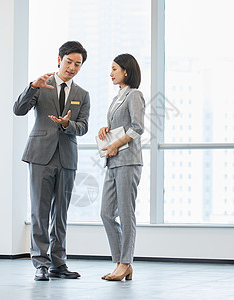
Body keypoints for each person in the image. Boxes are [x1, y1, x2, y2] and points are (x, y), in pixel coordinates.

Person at [13, 41, 90, 281]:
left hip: (67, 158)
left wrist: (67, 124)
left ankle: (59, 263)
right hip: (40, 156)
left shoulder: (82, 95)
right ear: (59, 60)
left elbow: (84, 127)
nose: (72, 67)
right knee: (40, 211)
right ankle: (40, 264)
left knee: (61, 213)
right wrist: (31, 88)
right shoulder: (42, 86)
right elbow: (18, 110)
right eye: (69, 62)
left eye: (78, 64)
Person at [98, 53, 145, 281]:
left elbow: (137, 128)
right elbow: (119, 125)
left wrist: (116, 143)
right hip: (113, 161)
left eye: (114, 69)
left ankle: (125, 263)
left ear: (126, 71)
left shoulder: (134, 95)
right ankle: (120, 261)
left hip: (128, 161)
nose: (111, 73)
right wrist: (105, 131)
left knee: (126, 214)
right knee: (106, 213)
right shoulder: (117, 97)